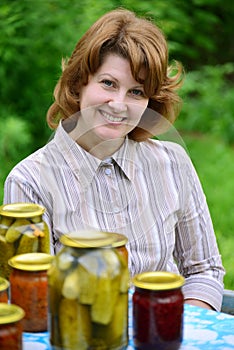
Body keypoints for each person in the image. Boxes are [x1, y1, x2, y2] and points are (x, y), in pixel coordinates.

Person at [3, 8, 225, 311]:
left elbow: (204, 271)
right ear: (80, 82)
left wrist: (178, 330)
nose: (119, 104)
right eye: (108, 83)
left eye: (136, 91)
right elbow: (36, 301)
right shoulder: (29, 181)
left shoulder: (173, 164)